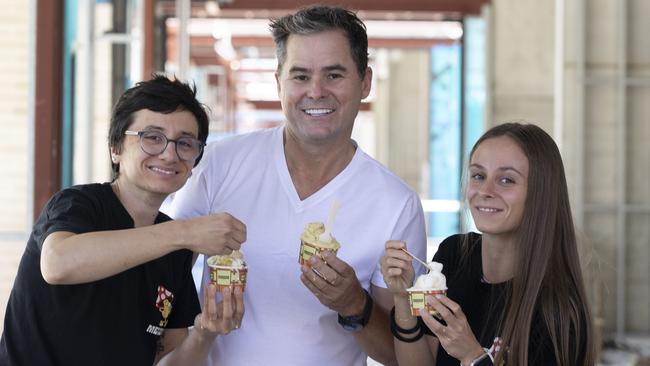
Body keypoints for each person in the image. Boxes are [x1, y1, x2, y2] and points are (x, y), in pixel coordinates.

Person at [167, 5, 427, 366]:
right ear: (279, 83)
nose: (316, 91)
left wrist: (355, 305)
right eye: (300, 76)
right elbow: (162, 284)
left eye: (334, 75)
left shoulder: (396, 204)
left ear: (364, 82)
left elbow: (404, 357)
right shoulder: (220, 165)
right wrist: (200, 330)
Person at [0, 75, 247, 366]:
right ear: (116, 148)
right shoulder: (80, 204)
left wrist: (206, 331)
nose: (170, 154)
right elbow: (58, 263)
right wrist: (184, 231)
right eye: (152, 138)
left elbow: (168, 356)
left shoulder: (177, 250)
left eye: (185, 143)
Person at [381, 122, 595, 365]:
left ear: (541, 191)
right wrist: (402, 298)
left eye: (506, 180)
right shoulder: (453, 255)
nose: (485, 190)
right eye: (478, 176)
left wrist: (474, 357)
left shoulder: (559, 311)